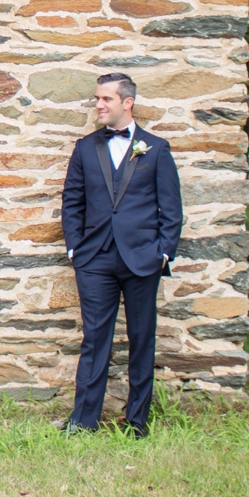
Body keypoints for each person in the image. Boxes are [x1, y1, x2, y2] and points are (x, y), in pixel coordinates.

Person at [60, 72, 183, 437]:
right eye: (97, 99)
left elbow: (171, 208)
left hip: (142, 259)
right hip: (94, 259)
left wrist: (163, 253)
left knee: (142, 338)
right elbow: (72, 201)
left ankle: (137, 422)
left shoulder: (156, 149)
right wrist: (74, 248)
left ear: (127, 103)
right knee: (95, 340)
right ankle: (83, 423)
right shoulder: (85, 148)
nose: (98, 105)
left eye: (106, 99)